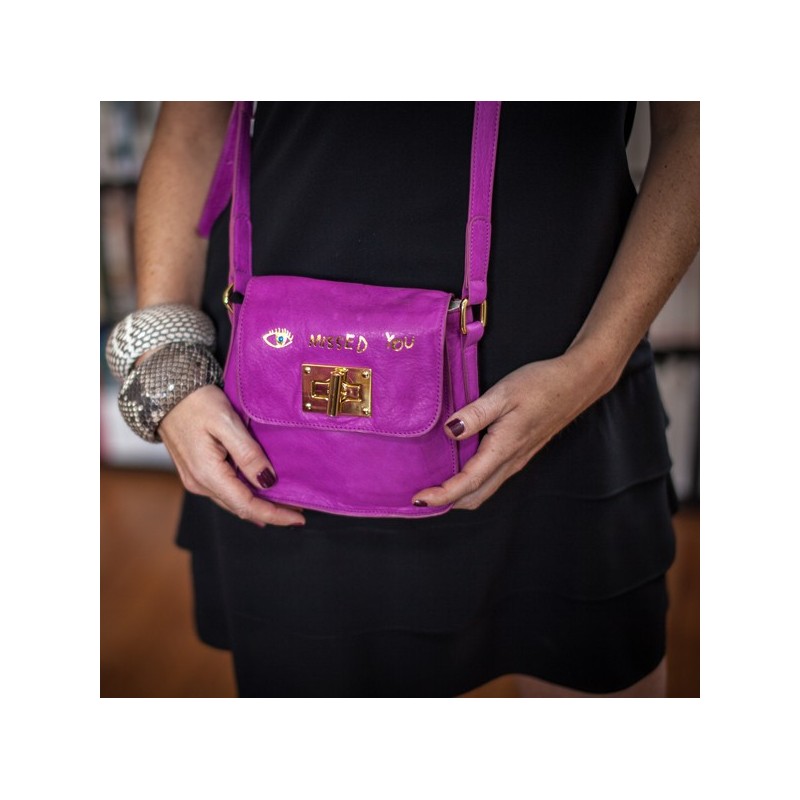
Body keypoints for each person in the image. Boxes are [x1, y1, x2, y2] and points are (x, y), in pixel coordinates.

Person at [125, 101, 699, 697]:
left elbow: (696, 124)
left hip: (566, 390)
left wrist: (594, 365)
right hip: (275, 421)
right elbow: (192, 125)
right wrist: (163, 366)